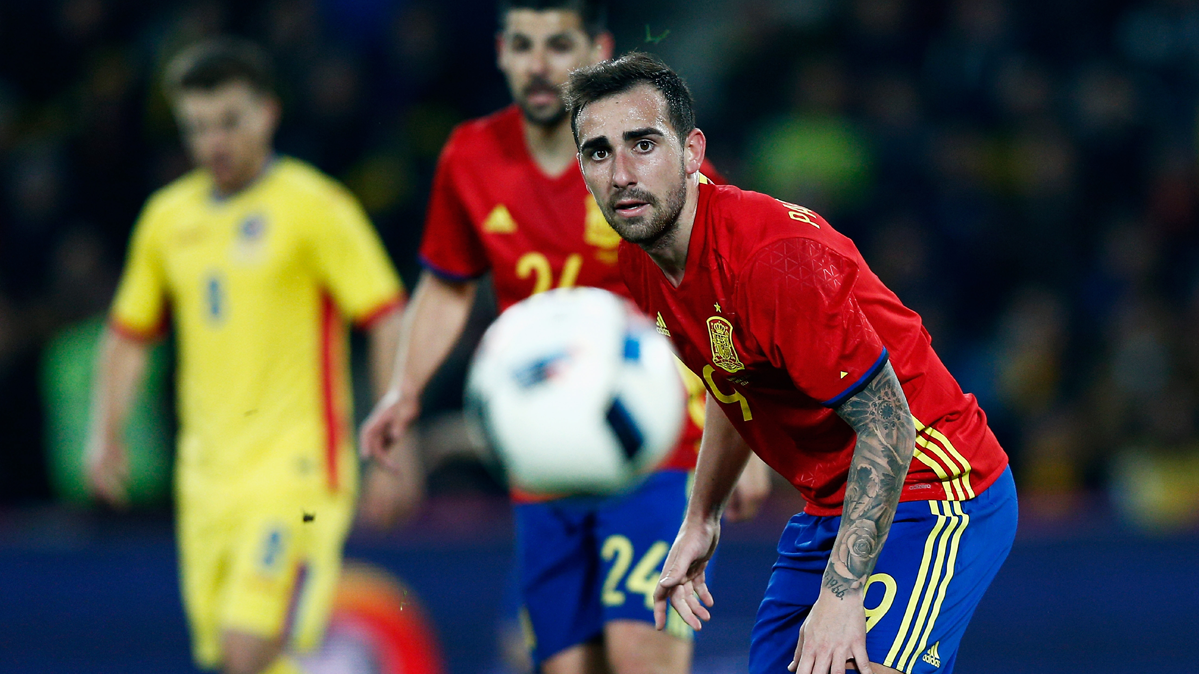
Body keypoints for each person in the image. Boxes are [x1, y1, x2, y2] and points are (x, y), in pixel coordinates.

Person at [566, 52, 1018, 674]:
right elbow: (730, 381)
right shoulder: (642, 264)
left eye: (642, 144)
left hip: (934, 488)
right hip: (831, 501)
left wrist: (841, 594)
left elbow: (890, 423)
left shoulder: (775, 262)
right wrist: (701, 517)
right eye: (598, 152)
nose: (621, 173)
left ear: (693, 151)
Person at [358, 3, 771, 673]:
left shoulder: (643, 152)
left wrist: (748, 436)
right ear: (501, 53)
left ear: (598, 49)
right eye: (523, 45)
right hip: (542, 449)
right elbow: (446, 285)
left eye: (559, 44)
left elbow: (721, 281)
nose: (540, 63)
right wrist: (403, 393)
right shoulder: (470, 156)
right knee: (563, 664)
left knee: (640, 654)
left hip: (654, 439)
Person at [85, 38, 406, 674]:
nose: (214, 142)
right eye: (198, 127)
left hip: (299, 474)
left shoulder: (316, 207)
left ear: (268, 112)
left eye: (229, 121)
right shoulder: (166, 219)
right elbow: (128, 334)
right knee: (245, 660)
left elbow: (386, 315)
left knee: (245, 650)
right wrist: (106, 432)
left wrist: (393, 440)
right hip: (206, 483)